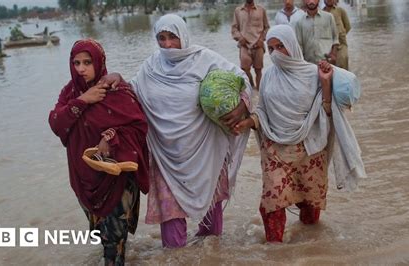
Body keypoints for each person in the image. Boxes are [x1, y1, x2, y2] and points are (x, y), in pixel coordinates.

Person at [104, 14, 252, 248]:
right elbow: (131, 92)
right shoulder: (151, 66)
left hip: (205, 151)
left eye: (172, 37)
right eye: (161, 38)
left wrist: (242, 105)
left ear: (183, 35)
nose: (167, 44)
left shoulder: (204, 59)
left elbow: (241, 78)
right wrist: (117, 79)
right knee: (173, 236)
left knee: (211, 233)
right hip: (166, 156)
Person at [233, 25, 366, 242]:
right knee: (272, 204)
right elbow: (263, 112)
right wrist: (249, 121)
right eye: (271, 48)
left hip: (310, 150)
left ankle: (310, 249)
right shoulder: (268, 76)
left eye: (281, 47)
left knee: (309, 205)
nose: (276, 53)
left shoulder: (314, 74)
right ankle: (274, 252)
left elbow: (326, 113)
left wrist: (325, 83)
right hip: (275, 149)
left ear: (293, 46)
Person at [48, 39, 149, 265]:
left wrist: (110, 137)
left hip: (116, 179)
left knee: (114, 241)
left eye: (87, 62)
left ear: (99, 62)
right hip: (84, 177)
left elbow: (139, 127)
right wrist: (84, 100)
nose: (81, 68)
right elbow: (56, 123)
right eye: (76, 63)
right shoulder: (70, 92)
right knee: (103, 236)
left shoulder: (116, 90)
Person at [231, 0, 270, 90]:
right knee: (245, 69)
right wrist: (240, 38)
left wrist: (261, 39)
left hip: (258, 45)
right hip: (244, 45)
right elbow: (234, 28)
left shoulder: (261, 10)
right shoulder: (238, 11)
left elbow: (267, 27)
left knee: (258, 70)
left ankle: (259, 92)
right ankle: (251, 87)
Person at [295, 0, 339, 65]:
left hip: (327, 62)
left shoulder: (329, 17)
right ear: (304, 1)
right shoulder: (299, 22)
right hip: (309, 64)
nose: (311, 1)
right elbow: (299, 45)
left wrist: (333, 56)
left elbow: (335, 39)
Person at [324, 0, 351, 69]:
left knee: (343, 68)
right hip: (327, 47)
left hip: (341, 46)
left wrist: (341, 35)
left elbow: (348, 26)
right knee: (330, 69)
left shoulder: (340, 11)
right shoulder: (321, 13)